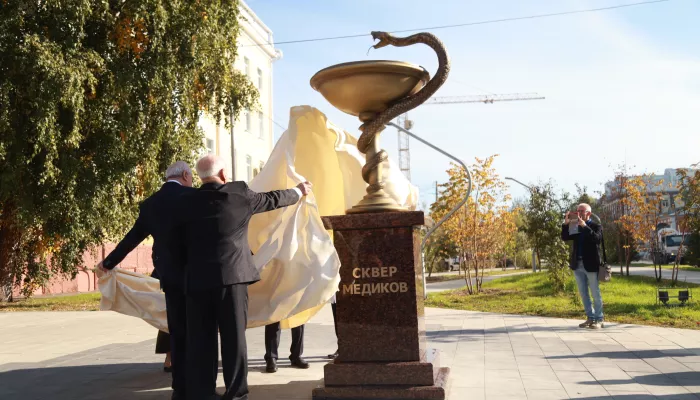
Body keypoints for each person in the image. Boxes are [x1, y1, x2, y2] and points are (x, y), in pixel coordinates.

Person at [177, 154, 311, 400]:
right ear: (224, 174)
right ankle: (236, 393)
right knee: (234, 338)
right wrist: (298, 190)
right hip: (233, 279)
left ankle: (203, 393)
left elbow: (176, 240)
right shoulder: (238, 195)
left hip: (196, 281)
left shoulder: (185, 202)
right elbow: (271, 200)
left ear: (199, 177)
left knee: (201, 340)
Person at [97, 161, 195, 399]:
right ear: (185, 175)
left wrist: (107, 263)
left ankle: (180, 387)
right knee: (200, 330)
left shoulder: (151, 204)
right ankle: (199, 383)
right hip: (198, 274)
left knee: (177, 330)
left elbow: (132, 238)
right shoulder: (194, 198)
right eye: (192, 177)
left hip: (168, 275)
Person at [561, 203, 604, 329]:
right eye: (577, 211)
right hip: (577, 264)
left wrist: (585, 226)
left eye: (582, 211)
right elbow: (565, 237)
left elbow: (597, 239)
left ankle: (599, 319)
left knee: (595, 293)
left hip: (590, 264)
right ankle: (590, 318)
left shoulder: (596, 226)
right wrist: (566, 223)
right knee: (583, 293)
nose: (579, 213)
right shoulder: (575, 226)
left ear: (588, 213)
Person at [327, 294, 338, 359]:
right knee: (337, 323)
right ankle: (341, 348)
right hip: (336, 295)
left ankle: (344, 349)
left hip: (348, 294)